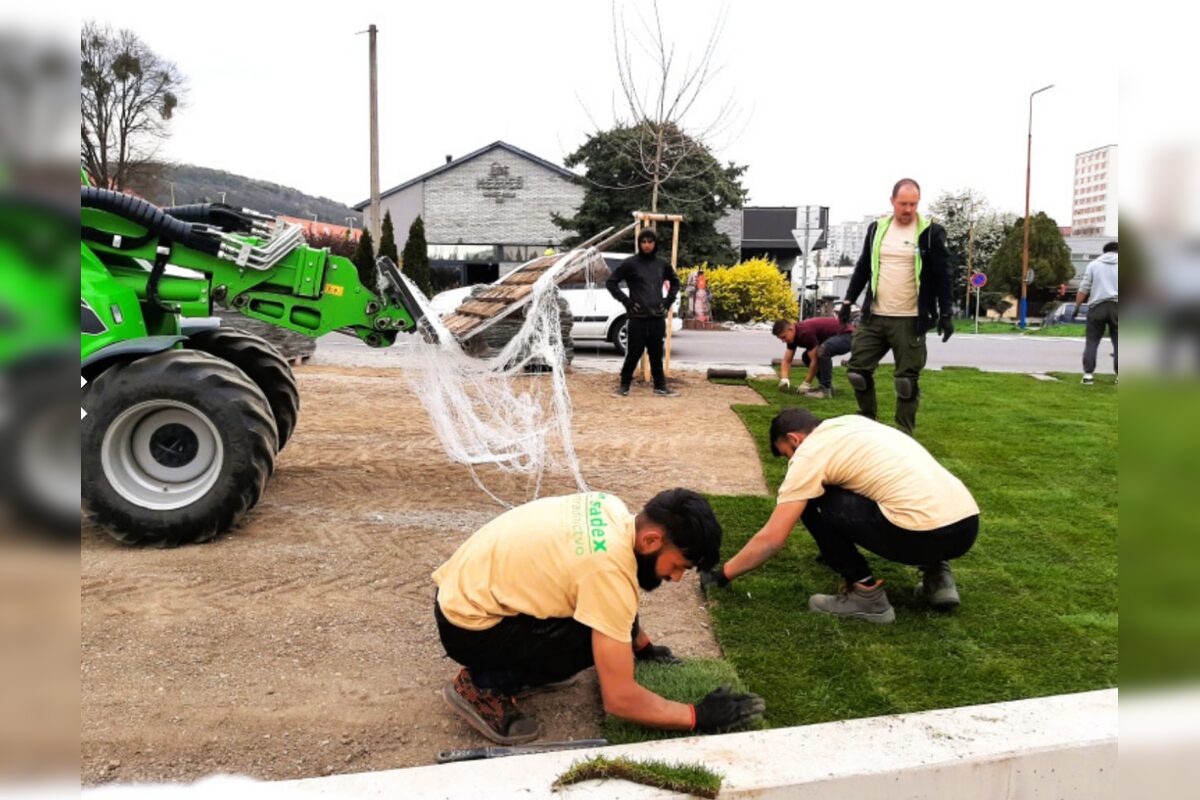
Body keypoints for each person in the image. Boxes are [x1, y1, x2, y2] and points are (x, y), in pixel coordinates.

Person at [433, 488, 765, 744]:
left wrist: (643, 647)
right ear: (651, 541)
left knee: (607, 619)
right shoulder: (608, 572)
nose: (676, 578)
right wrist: (698, 715)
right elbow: (619, 699)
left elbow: (618, 600)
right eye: (678, 566)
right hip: (468, 626)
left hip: (462, 593)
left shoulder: (611, 508)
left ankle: (524, 665)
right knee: (590, 642)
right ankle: (481, 686)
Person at [701, 408, 980, 624]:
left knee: (812, 502)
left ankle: (866, 595)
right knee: (900, 493)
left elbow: (773, 539)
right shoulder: (853, 424)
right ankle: (938, 576)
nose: (792, 461)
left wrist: (722, 575)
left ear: (794, 439)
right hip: (966, 527)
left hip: (918, 536)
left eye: (788, 454)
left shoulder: (809, 454)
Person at [837, 179, 955, 435]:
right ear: (892, 202)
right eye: (903, 203)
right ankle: (868, 421)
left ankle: (904, 435)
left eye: (913, 204)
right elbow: (863, 268)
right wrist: (848, 301)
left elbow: (944, 274)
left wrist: (946, 312)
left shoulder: (930, 233)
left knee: (905, 381)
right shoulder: (877, 229)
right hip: (874, 316)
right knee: (857, 372)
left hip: (910, 317)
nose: (908, 209)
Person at [606, 229, 681, 397]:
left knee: (656, 354)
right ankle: (624, 386)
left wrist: (667, 302)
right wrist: (626, 302)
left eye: (650, 241)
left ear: (655, 243)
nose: (647, 245)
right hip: (637, 318)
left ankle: (660, 386)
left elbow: (675, 283)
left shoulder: (662, 264)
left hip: (657, 318)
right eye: (643, 242)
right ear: (639, 244)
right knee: (633, 353)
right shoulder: (630, 264)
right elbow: (611, 283)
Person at [773, 316, 854, 399]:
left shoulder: (805, 332)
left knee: (823, 351)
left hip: (848, 336)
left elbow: (814, 361)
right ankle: (827, 386)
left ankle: (825, 390)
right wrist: (784, 379)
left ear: (791, 329)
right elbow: (787, 360)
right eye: (780, 338)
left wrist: (806, 383)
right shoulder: (792, 337)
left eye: (784, 337)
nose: (783, 341)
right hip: (838, 336)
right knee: (806, 357)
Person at [1073, 241, 1118, 385]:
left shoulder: (1093, 265)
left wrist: (1077, 306)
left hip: (1097, 306)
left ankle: (1088, 375)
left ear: (1104, 252)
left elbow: (1084, 287)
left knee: (1092, 341)